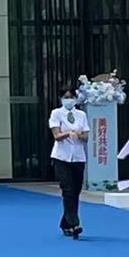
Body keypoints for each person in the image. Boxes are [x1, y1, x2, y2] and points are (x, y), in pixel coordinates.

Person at [49, 87, 90, 238]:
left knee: (76, 191)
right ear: (61, 99)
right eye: (66, 97)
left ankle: (65, 223)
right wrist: (68, 133)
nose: (69, 100)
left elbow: (86, 137)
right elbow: (56, 135)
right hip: (62, 157)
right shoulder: (56, 113)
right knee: (67, 189)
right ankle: (74, 223)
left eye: (71, 97)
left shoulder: (81, 115)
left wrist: (79, 135)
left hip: (78, 157)